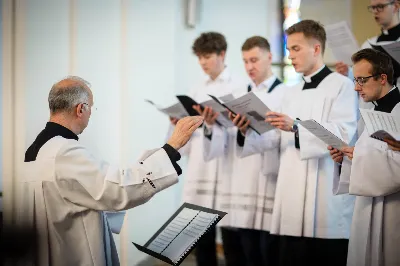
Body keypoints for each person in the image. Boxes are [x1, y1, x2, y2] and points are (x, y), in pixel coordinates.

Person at [19, 76, 203, 266]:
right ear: (80, 109)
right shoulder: (64, 151)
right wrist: (172, 146)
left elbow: (88, 194)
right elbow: (119, 189)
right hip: (74, 253)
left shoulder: (35, 149)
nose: (91, 113)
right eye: (91, 107)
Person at [264, 20, 359, 266]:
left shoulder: (343, 86)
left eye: (296, 49)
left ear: (316, 49)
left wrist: (296, 126)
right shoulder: (290, 92)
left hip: (325, 193)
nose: (290, 56)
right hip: (291, 191)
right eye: (288, 50)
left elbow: (343, 134)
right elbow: (277, 137)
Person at [206, 36, 286, 266]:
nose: (250, 67)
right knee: (237, 250)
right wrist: (215, 123)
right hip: (237, 177)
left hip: (265, 177)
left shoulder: (285, 93)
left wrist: (250, 131)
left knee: (263, 252)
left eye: (254, 60)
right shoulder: (238, 94)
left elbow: (283, 136)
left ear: (269, 57)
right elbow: (226, 138)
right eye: (245, 61)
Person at [169, 32, 246, 266]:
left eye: (208, 56)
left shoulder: (239, 85)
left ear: (222, 54)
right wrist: (180, 122)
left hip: (227, 163)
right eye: (200, 57)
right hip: (201, 165)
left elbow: (243, 126)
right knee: (200, 231)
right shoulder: (196, 87)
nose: (202, 62)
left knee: (231, 234)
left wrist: (216, 122)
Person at [329, 48, 400, 266]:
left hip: (393, 209)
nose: (356, 87)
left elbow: (396, 167)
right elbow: (370, 155)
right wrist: (345, 159)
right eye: (355, 79)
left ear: (382, 78)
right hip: (366, 206)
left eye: (361, 79)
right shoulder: (367, 114)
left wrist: (358, 156)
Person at [336, 0, 400, 83]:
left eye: (380, 7)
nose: (375, 11)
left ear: (396, 7)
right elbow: (361, 78)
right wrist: (348, 72)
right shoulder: (368, 45)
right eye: (373, 7)